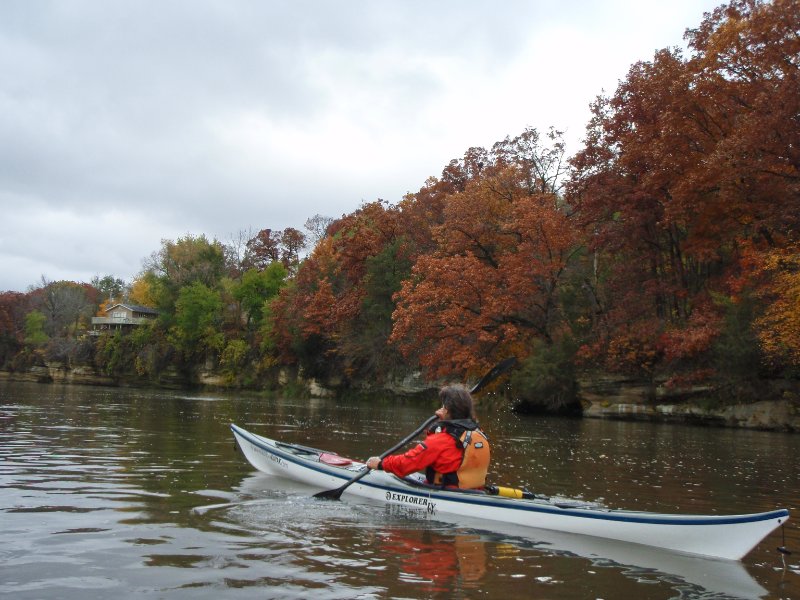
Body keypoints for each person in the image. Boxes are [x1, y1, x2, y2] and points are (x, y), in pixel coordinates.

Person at [366, 385, 490, 489]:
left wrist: (382, 464)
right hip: (473, 491)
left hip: (447, 492)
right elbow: (441, 452)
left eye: (443, 406)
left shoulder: (442, 441)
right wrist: (443, 423)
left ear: (447, 410)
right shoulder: (479, 433)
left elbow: (409, 462)